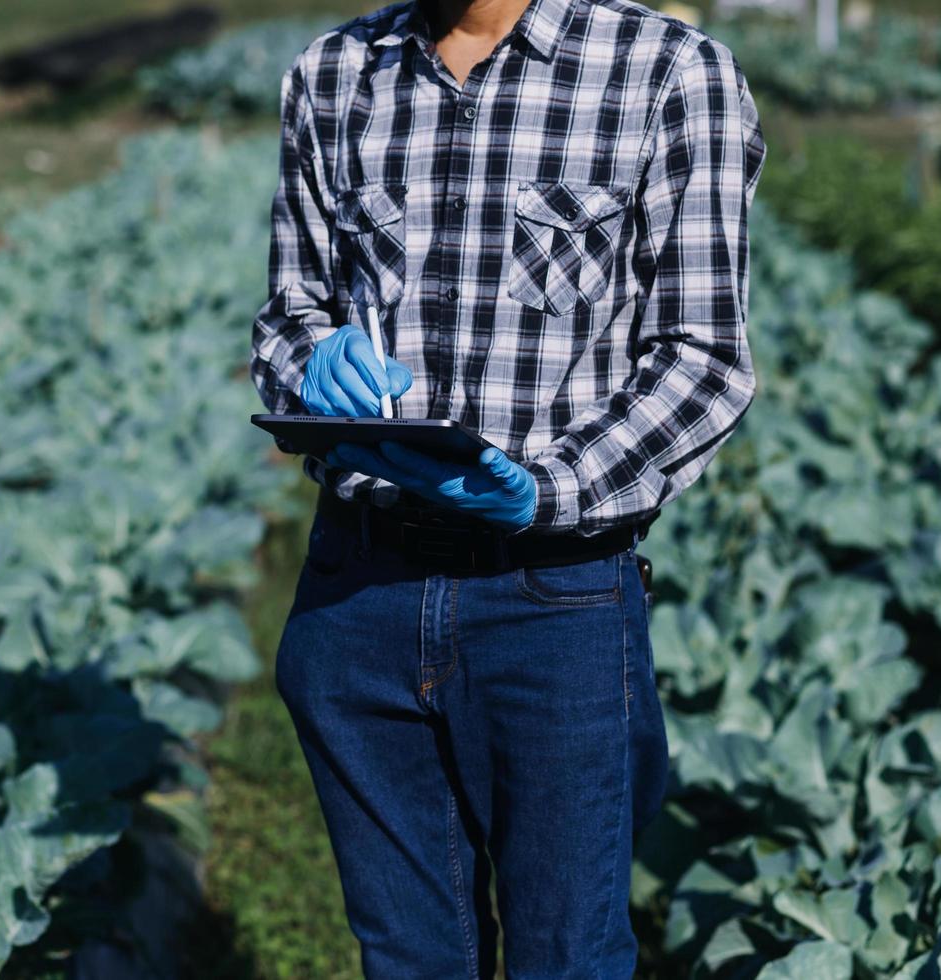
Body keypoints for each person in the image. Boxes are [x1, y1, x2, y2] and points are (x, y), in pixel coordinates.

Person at [250, 0, 764, 975]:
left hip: (553, 598)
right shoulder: (331, 74)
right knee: (408, 954)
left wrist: (549, 488)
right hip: (357, 587)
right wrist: (312, 360)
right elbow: (290, 310)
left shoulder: (669, 73)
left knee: (567, 954)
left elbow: (703, 360)